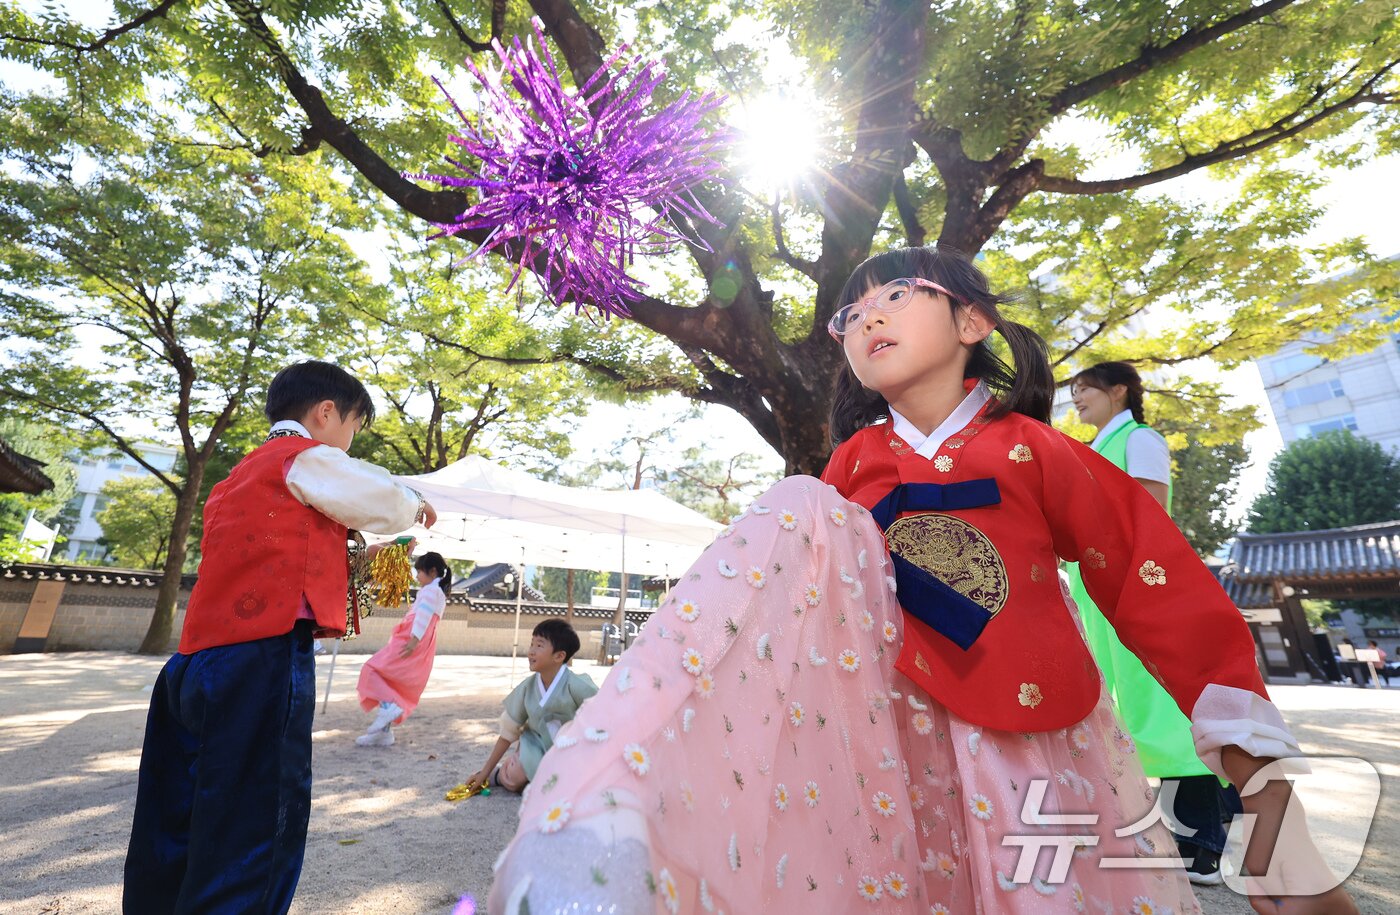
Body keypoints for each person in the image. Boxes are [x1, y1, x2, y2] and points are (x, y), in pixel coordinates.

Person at [486, 247, 1355, 915]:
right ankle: (615, 798)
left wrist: (1271, 805)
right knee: (794, 513)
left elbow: (1157, 587)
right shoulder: (846, 472)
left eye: (895, 295)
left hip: (1033, 740)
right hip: (883, 749)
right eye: (849, 313)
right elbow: (782, 602)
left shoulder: (1038, 449)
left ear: (972, 321)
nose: (866, 317)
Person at [123, 361, 437, 915]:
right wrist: (414, 503)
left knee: (177, 810)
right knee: (256, 818)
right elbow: (378, 498)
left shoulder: (232, 480)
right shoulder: (305, 458)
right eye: (353, 428)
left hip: (194, 661)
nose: (348, 442)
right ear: (325, 413)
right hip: (261, 658)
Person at [1068, 360, 1231, 885]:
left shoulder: (1139, 439)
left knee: (1166, 707)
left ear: (1119, 391)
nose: (1076, 399)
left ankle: (1203, 841)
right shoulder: (1096, 449)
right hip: (1103, 591)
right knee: (1132, 708)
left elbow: (1149, 511)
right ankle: (1194, 826)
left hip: (1139, 583)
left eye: (1084, 389)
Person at [460, 618, 598, 794]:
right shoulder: (527, 687)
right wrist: (484, 773)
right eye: (531, 644)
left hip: (570, 749)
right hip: (535, 746)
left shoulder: (578, 685)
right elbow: (508, 733)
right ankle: (500, 774)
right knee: (514, 779)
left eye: (539, 646)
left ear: (559, 656)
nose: (531, 651)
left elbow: (605, 717)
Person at [355, 550, 454, 747]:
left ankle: (390, 706)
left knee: (371, 669)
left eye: (419, 571)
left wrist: (414, 639)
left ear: (432, 572)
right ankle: (384, 733)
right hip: (420, 638)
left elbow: (424, 614)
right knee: (391, 680)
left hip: (412, 637)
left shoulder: (431, 591)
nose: (416, 575)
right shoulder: (437, 591)